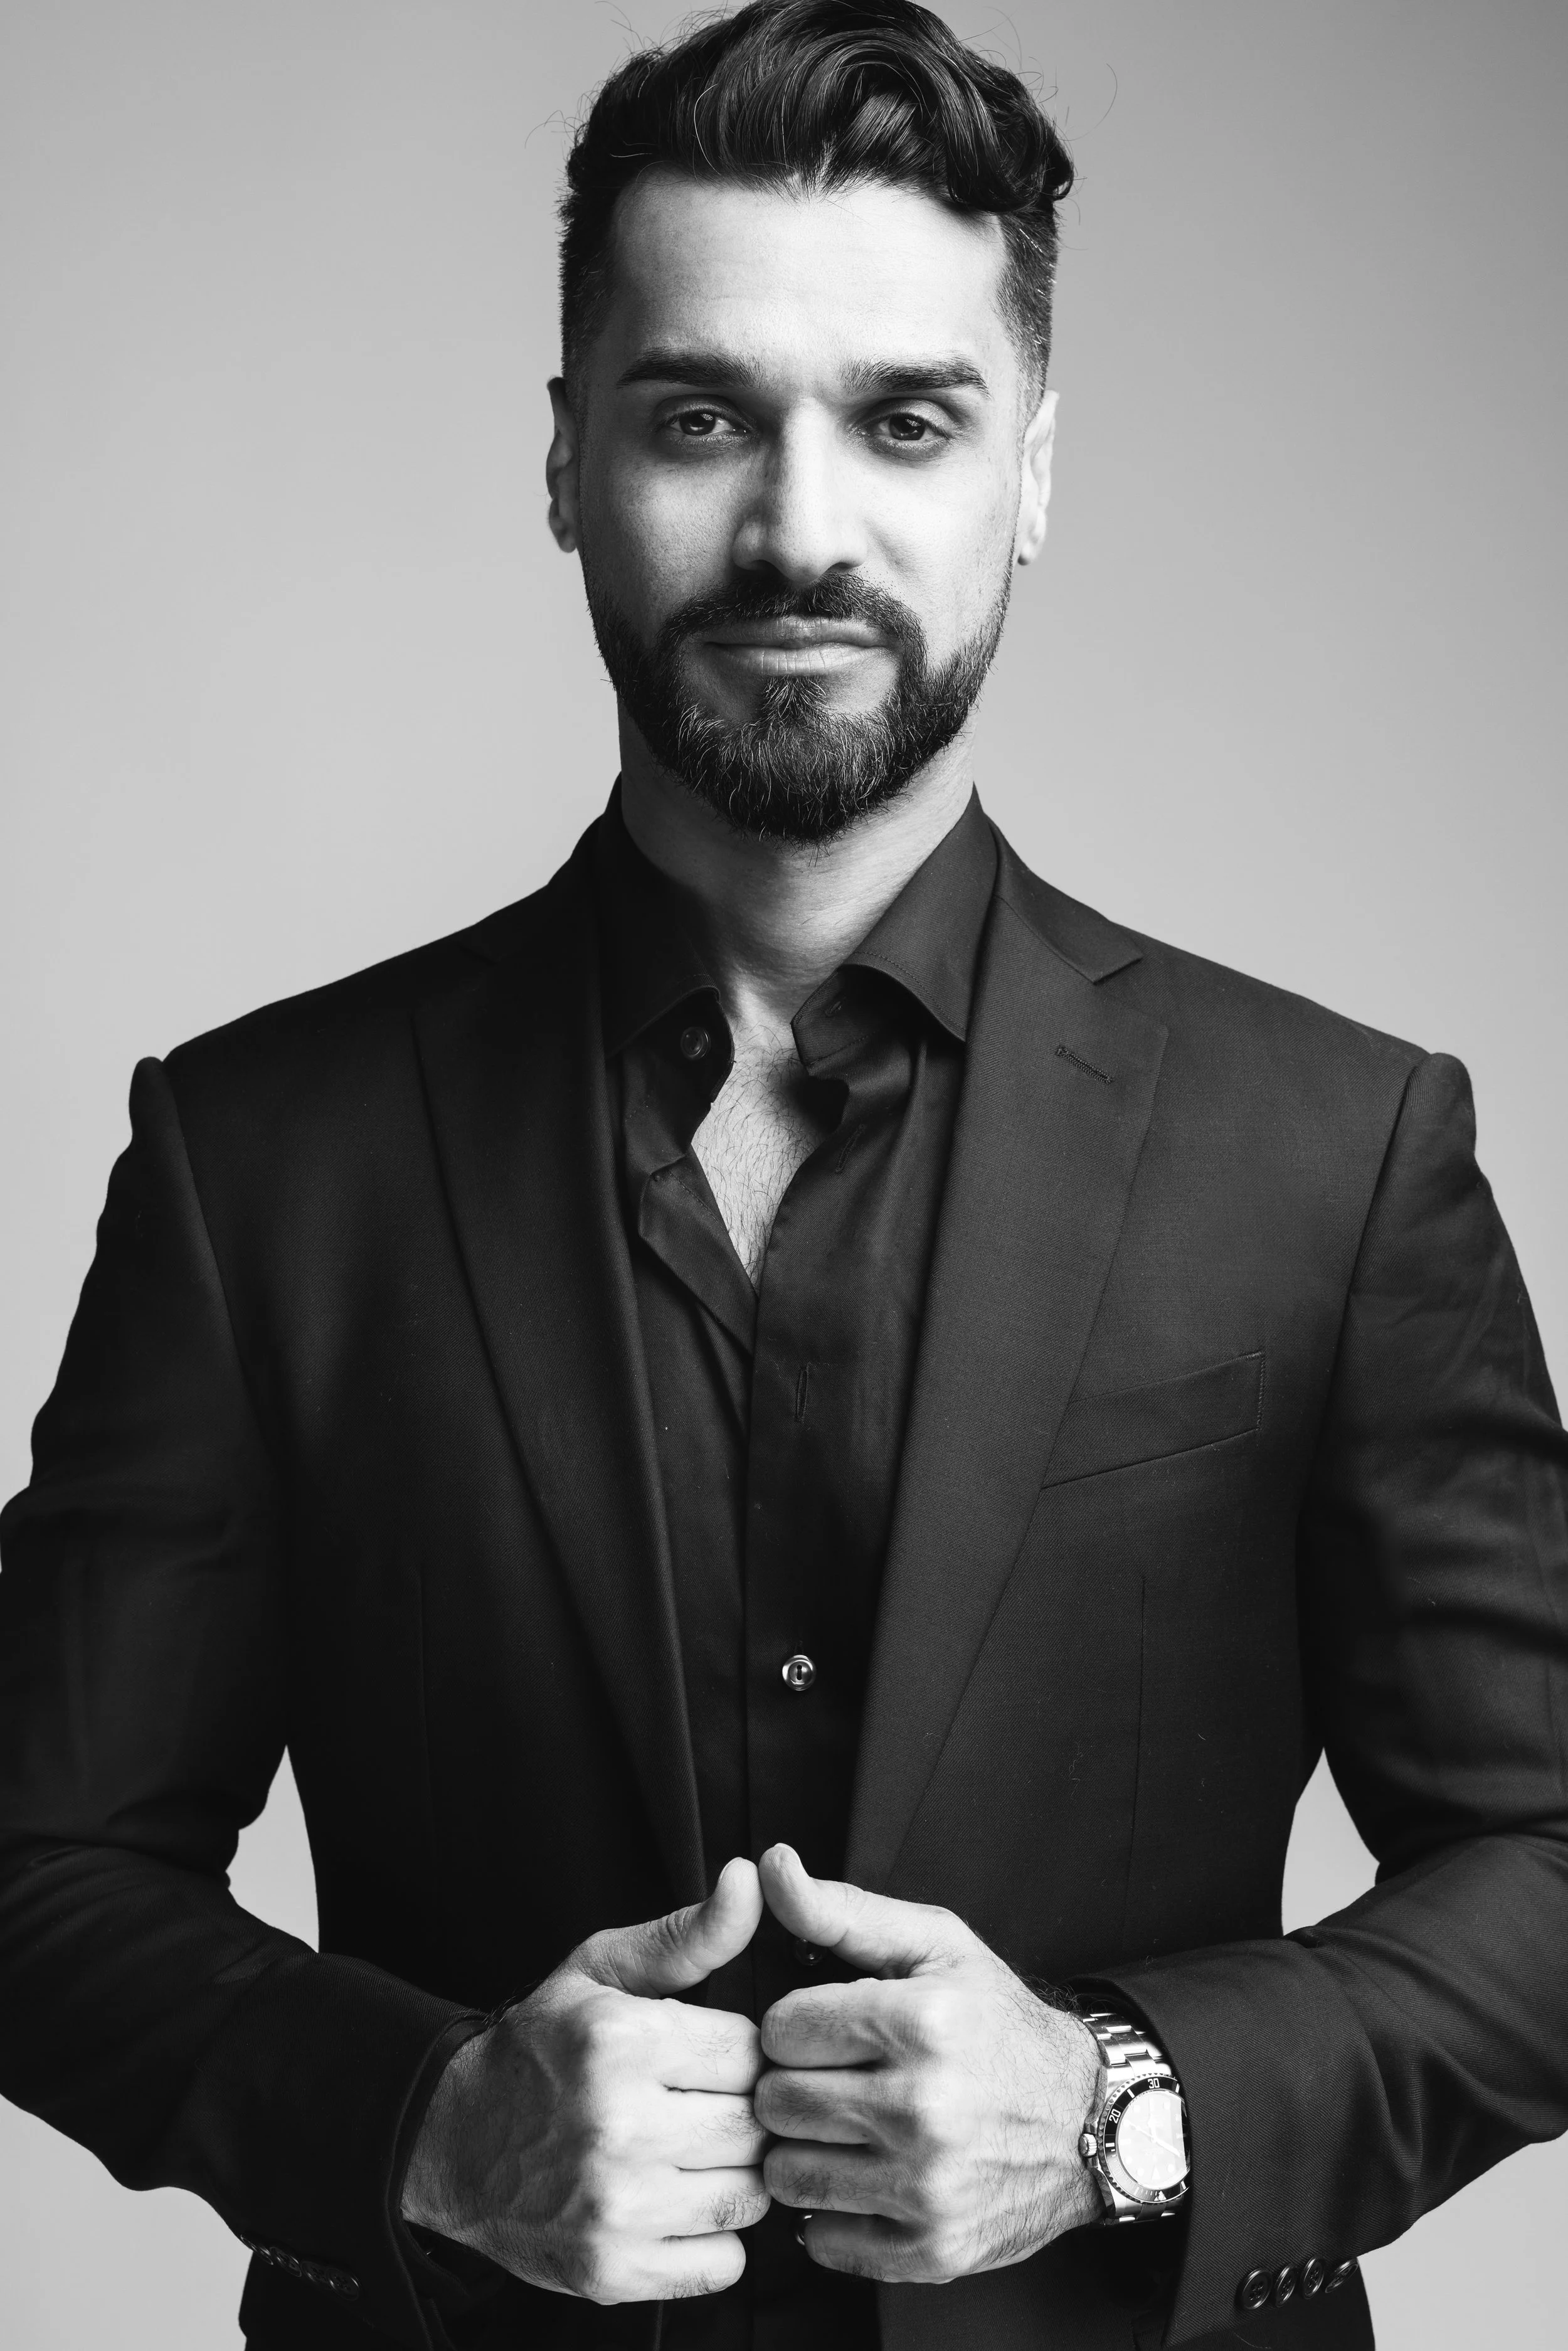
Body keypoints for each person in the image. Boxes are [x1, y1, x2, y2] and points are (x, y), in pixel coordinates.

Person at [1, 4, 1565, 2348]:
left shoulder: (1333, 1148)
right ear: (565, 459)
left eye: (907, 420)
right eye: (700, 413)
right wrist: (420, 2115)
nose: (800, 529)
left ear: (1028, 466)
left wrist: (1124, 2101)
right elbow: (37, 1859)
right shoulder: (257, 1159)